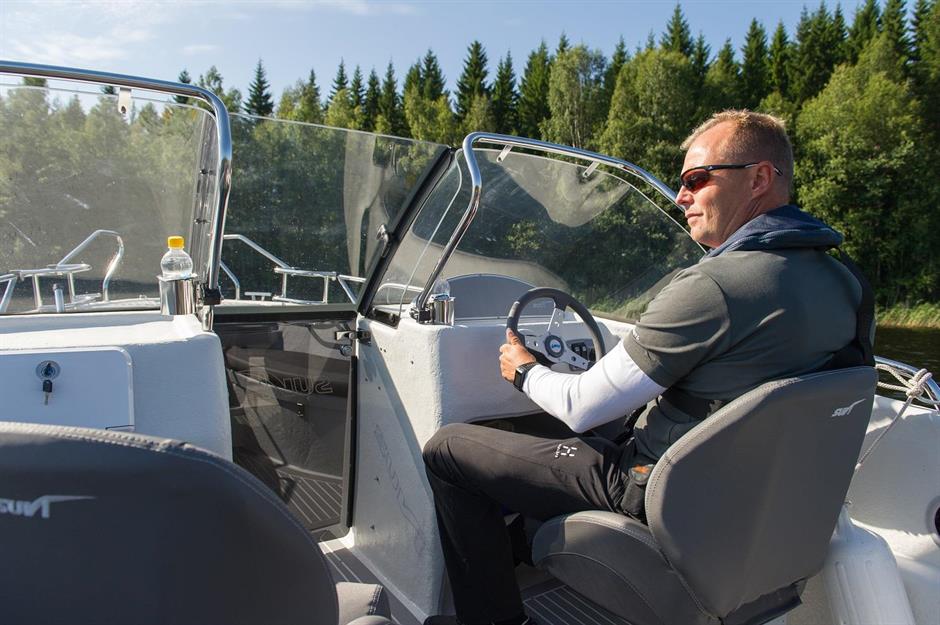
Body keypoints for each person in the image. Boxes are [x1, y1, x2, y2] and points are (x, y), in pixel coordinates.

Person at [421, 110, 871, 625]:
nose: (681, 196)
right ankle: (526, 547)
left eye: (696, 179)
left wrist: (525, 370)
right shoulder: (846, 281)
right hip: (748, 500)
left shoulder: (715, 286)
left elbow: (581, 406)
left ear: (759, 179)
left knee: (449, 450)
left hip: (658, 490)